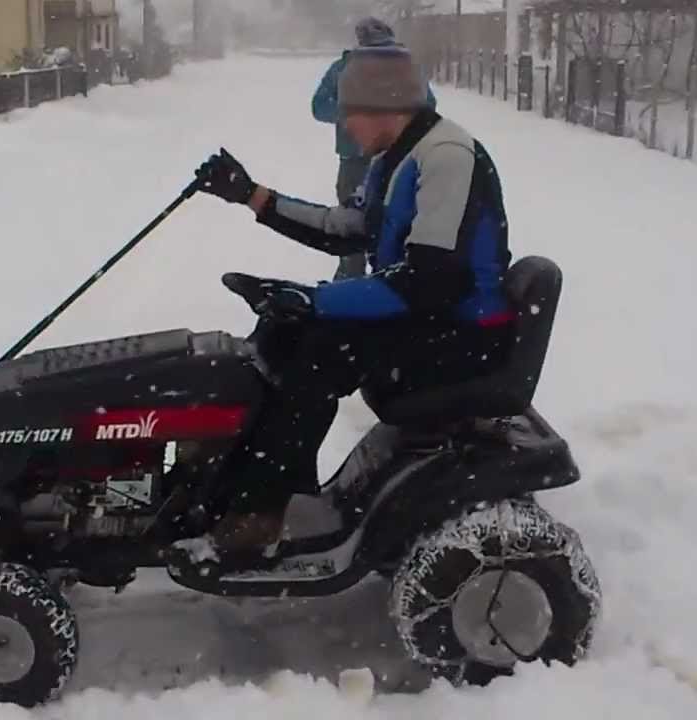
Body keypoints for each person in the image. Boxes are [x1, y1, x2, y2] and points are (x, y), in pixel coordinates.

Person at [187, 43, 515, 557]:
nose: (345, 128)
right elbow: (348, 232)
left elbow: (429, 280)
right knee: (282, 335)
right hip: (435, 315)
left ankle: (261, 514)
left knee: (315, 352)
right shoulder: (399, 155)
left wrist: (316, 301)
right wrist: (253, 196)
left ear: (385, 108)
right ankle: (237, 492)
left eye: (348, 115)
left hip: (465, 331)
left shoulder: (446, 157)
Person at [311, 17, 437, 280]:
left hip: (358, 159)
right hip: (398, 159)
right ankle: (391, 286)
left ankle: (349, 287)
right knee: (395, 226)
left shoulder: (344, 67)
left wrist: (349, 114)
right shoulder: (407, 68)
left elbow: (319, 106)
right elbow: (429, 106)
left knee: (351, 228)